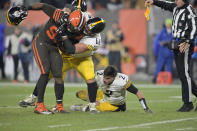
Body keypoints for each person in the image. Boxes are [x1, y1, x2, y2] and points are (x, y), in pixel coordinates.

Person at [18, 1, 105, 114]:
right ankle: (33, 97)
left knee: (90, 78)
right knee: (48, 74)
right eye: (86, 27)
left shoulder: (94, 40)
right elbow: (64, 10)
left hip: (82, 58)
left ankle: (92, 106)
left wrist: (63, 35)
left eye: (89, 31)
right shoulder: (80, 18)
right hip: (65, 55)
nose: (86, 30)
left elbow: (72, 49)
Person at [7, 3, 87, 114]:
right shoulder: (60, 15)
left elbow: (68, 48)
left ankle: (59, 106)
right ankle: (39, 105)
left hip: (54, 47)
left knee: (58, 75)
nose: (73, 29)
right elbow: (43, 6)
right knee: (45, 71)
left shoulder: (78, 30)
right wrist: (28, 7)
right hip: (41, 42)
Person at [145, 0, 197, 112]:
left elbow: (194, 27)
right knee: (182, 74)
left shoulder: (189, 11)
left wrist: (188, 41)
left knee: (185, 75)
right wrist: (153, 2)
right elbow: (165, 4)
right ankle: (189, 101)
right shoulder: (175, 7)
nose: (176, 1)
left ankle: (188, 103)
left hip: (184, 44)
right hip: (176, 44)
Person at [70, 65, 152, 112]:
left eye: (108, 78)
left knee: (93, 107)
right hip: (104, 95)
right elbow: (93, 88)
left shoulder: (121, 81)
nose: (105, 80)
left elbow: (137, 92)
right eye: (104, 78)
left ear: (114, 77)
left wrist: (146, 108)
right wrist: (93, 99)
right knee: (80, 94)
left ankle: (80, 107)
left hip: (114, 104)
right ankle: (92, 103)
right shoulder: (99, 76)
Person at [153, 18, 174, 83]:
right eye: (167, 24)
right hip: (162, 52)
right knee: (159, 66)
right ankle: (155, 78)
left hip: (170, 53)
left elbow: (175, 40)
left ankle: (169, 80)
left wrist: (167, 42)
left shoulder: (174, 32)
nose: (168, 25)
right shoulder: (162, 31)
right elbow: (157, 41)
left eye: (170, 24)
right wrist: (156, 51)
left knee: (169, 67)